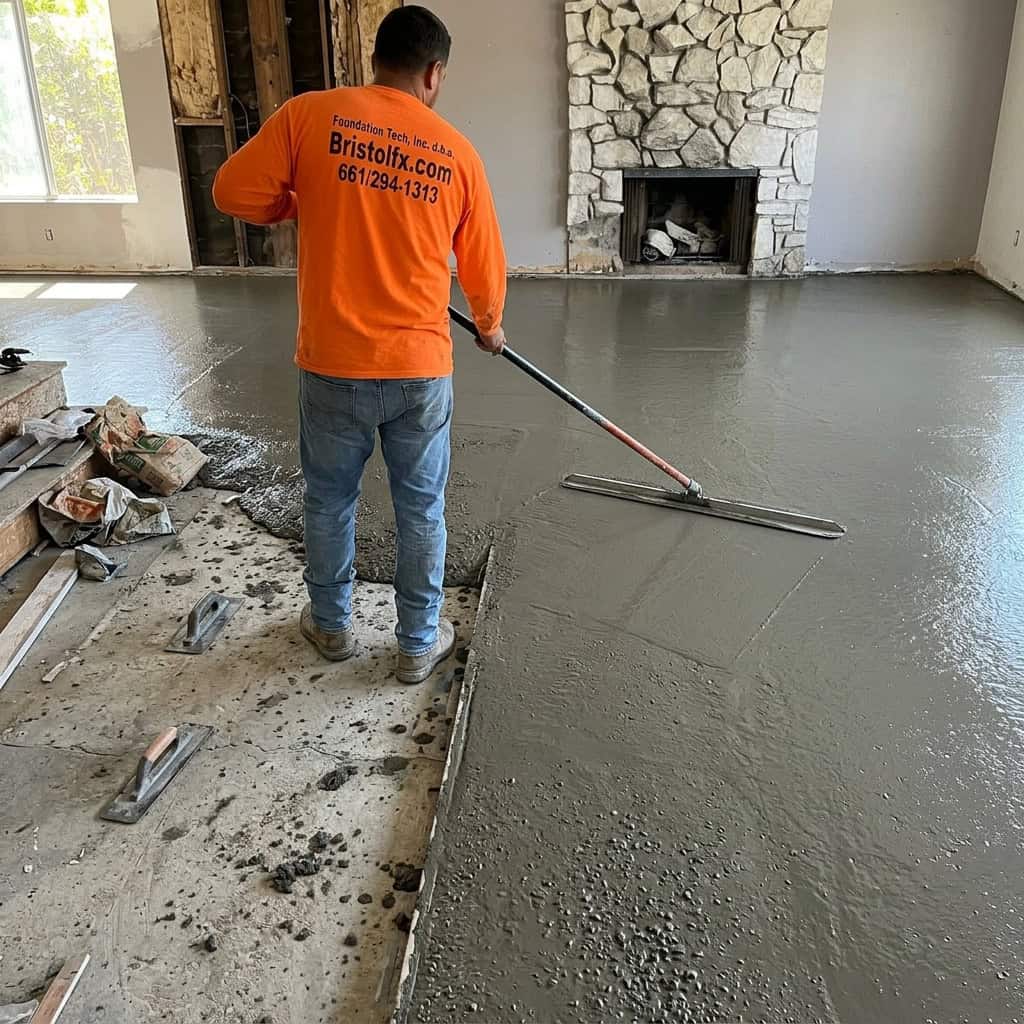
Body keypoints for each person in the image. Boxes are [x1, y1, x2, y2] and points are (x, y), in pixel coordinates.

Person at [213, 6, 507, 684]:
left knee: (328, 500)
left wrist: (292, 201)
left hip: (332, 365)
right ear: (434, 73)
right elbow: (485, 264)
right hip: (419, 369)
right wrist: (490, 323)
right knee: (420, 509)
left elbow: (232, 191)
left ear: (376, 59)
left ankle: (332, 626)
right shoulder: (456, 151)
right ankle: (414, 645)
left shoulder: (309, 116)